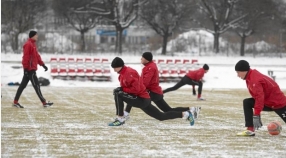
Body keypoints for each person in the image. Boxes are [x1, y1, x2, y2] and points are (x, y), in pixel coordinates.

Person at [109, 57, 195, 126]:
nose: (114, 70)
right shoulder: (123, 74)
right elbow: (129, 89)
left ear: (120, 66)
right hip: (142, 99)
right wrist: (121, 88)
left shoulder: (129, 73)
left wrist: (122, 90)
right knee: (161, 116)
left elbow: (136, 89)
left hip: (142, 99)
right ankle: (186, 114)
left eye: (115, 68)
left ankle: (120, 118)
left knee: (118, 94)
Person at [124, 52, 201, 120]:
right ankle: (191, 109)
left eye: (142, 57)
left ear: (146, 59)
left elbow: (145, 82)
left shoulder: (150, 68)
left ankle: (126, 114)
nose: (141, 59)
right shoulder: (150, 66)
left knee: (134, 97)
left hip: (152, 92)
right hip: (155, 92)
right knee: (168, 110)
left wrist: (137, 86)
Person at [235, 60, 286, 136]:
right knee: (247, 102)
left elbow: (259, 98)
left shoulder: (255, 80)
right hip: (268, 102)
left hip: (279, 104)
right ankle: (250, 129)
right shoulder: (250, 76)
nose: (238, 75)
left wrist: (256, 115)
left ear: (244, 70)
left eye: (238, 72)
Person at [12, 30, 53, 108]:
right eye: (36, 35)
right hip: (30, 70)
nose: (37, 36)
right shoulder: (28, 45)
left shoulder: (33, 45)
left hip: (31, 69)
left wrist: (42, 64)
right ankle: (44, 103)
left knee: (22, 86)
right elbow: (25, 57)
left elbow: (37, 56)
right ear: (32, 36)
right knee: (36, 86)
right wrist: (26, 69)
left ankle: (15, 102)